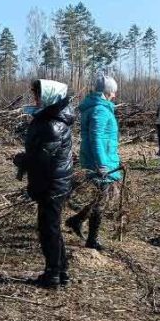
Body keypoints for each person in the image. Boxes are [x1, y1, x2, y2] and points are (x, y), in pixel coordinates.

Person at [13, 79, 75, 289]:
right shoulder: (50, 118)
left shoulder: (53, 124)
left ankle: (53, 274)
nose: (35, 99)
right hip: (52, 181)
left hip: (52, 183)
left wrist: (23, 160)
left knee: (49, 229)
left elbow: (42, 158)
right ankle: (61, 270)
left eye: (38, 95)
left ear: (49, 96)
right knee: (52, 227)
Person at [67, 74, 123, 251]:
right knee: (102, 199)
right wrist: (102, 164)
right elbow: (96, 137)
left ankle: (77, 220)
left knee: (101, 197)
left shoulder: (98, 107)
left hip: (104, 157)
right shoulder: (100, 109)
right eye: (113, 92)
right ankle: (92, 239)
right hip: (100, 160)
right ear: (108, 92)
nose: (115, 95)